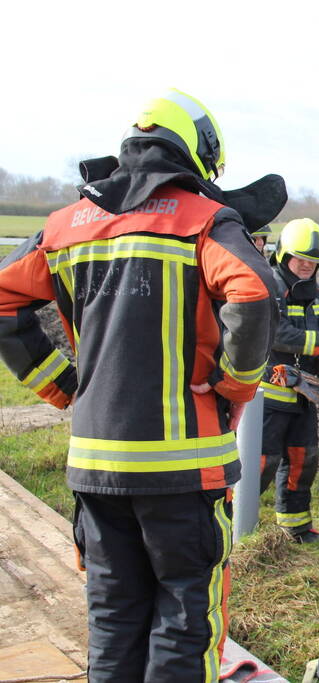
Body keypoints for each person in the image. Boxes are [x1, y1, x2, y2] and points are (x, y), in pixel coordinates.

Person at [0, 89, 281, 680]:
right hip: (182, 470)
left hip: (96, 465)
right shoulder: (202, 220)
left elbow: (3, 298)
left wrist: (65, 387)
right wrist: (233, 386)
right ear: (198, 153)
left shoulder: (66, 224)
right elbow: (253, 292)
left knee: (113, 618)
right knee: (185, 623)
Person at [259, 218, 319, 543]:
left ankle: (296, 529)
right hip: (270, 393)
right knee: (263, 463)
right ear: (284, 256)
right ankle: (231, 528)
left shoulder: (315, 293)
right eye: (301, 259)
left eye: (313, 262)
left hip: (303, 394)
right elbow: (279, 335)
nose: (307, 266)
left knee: (304, 459)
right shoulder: (270, 286)